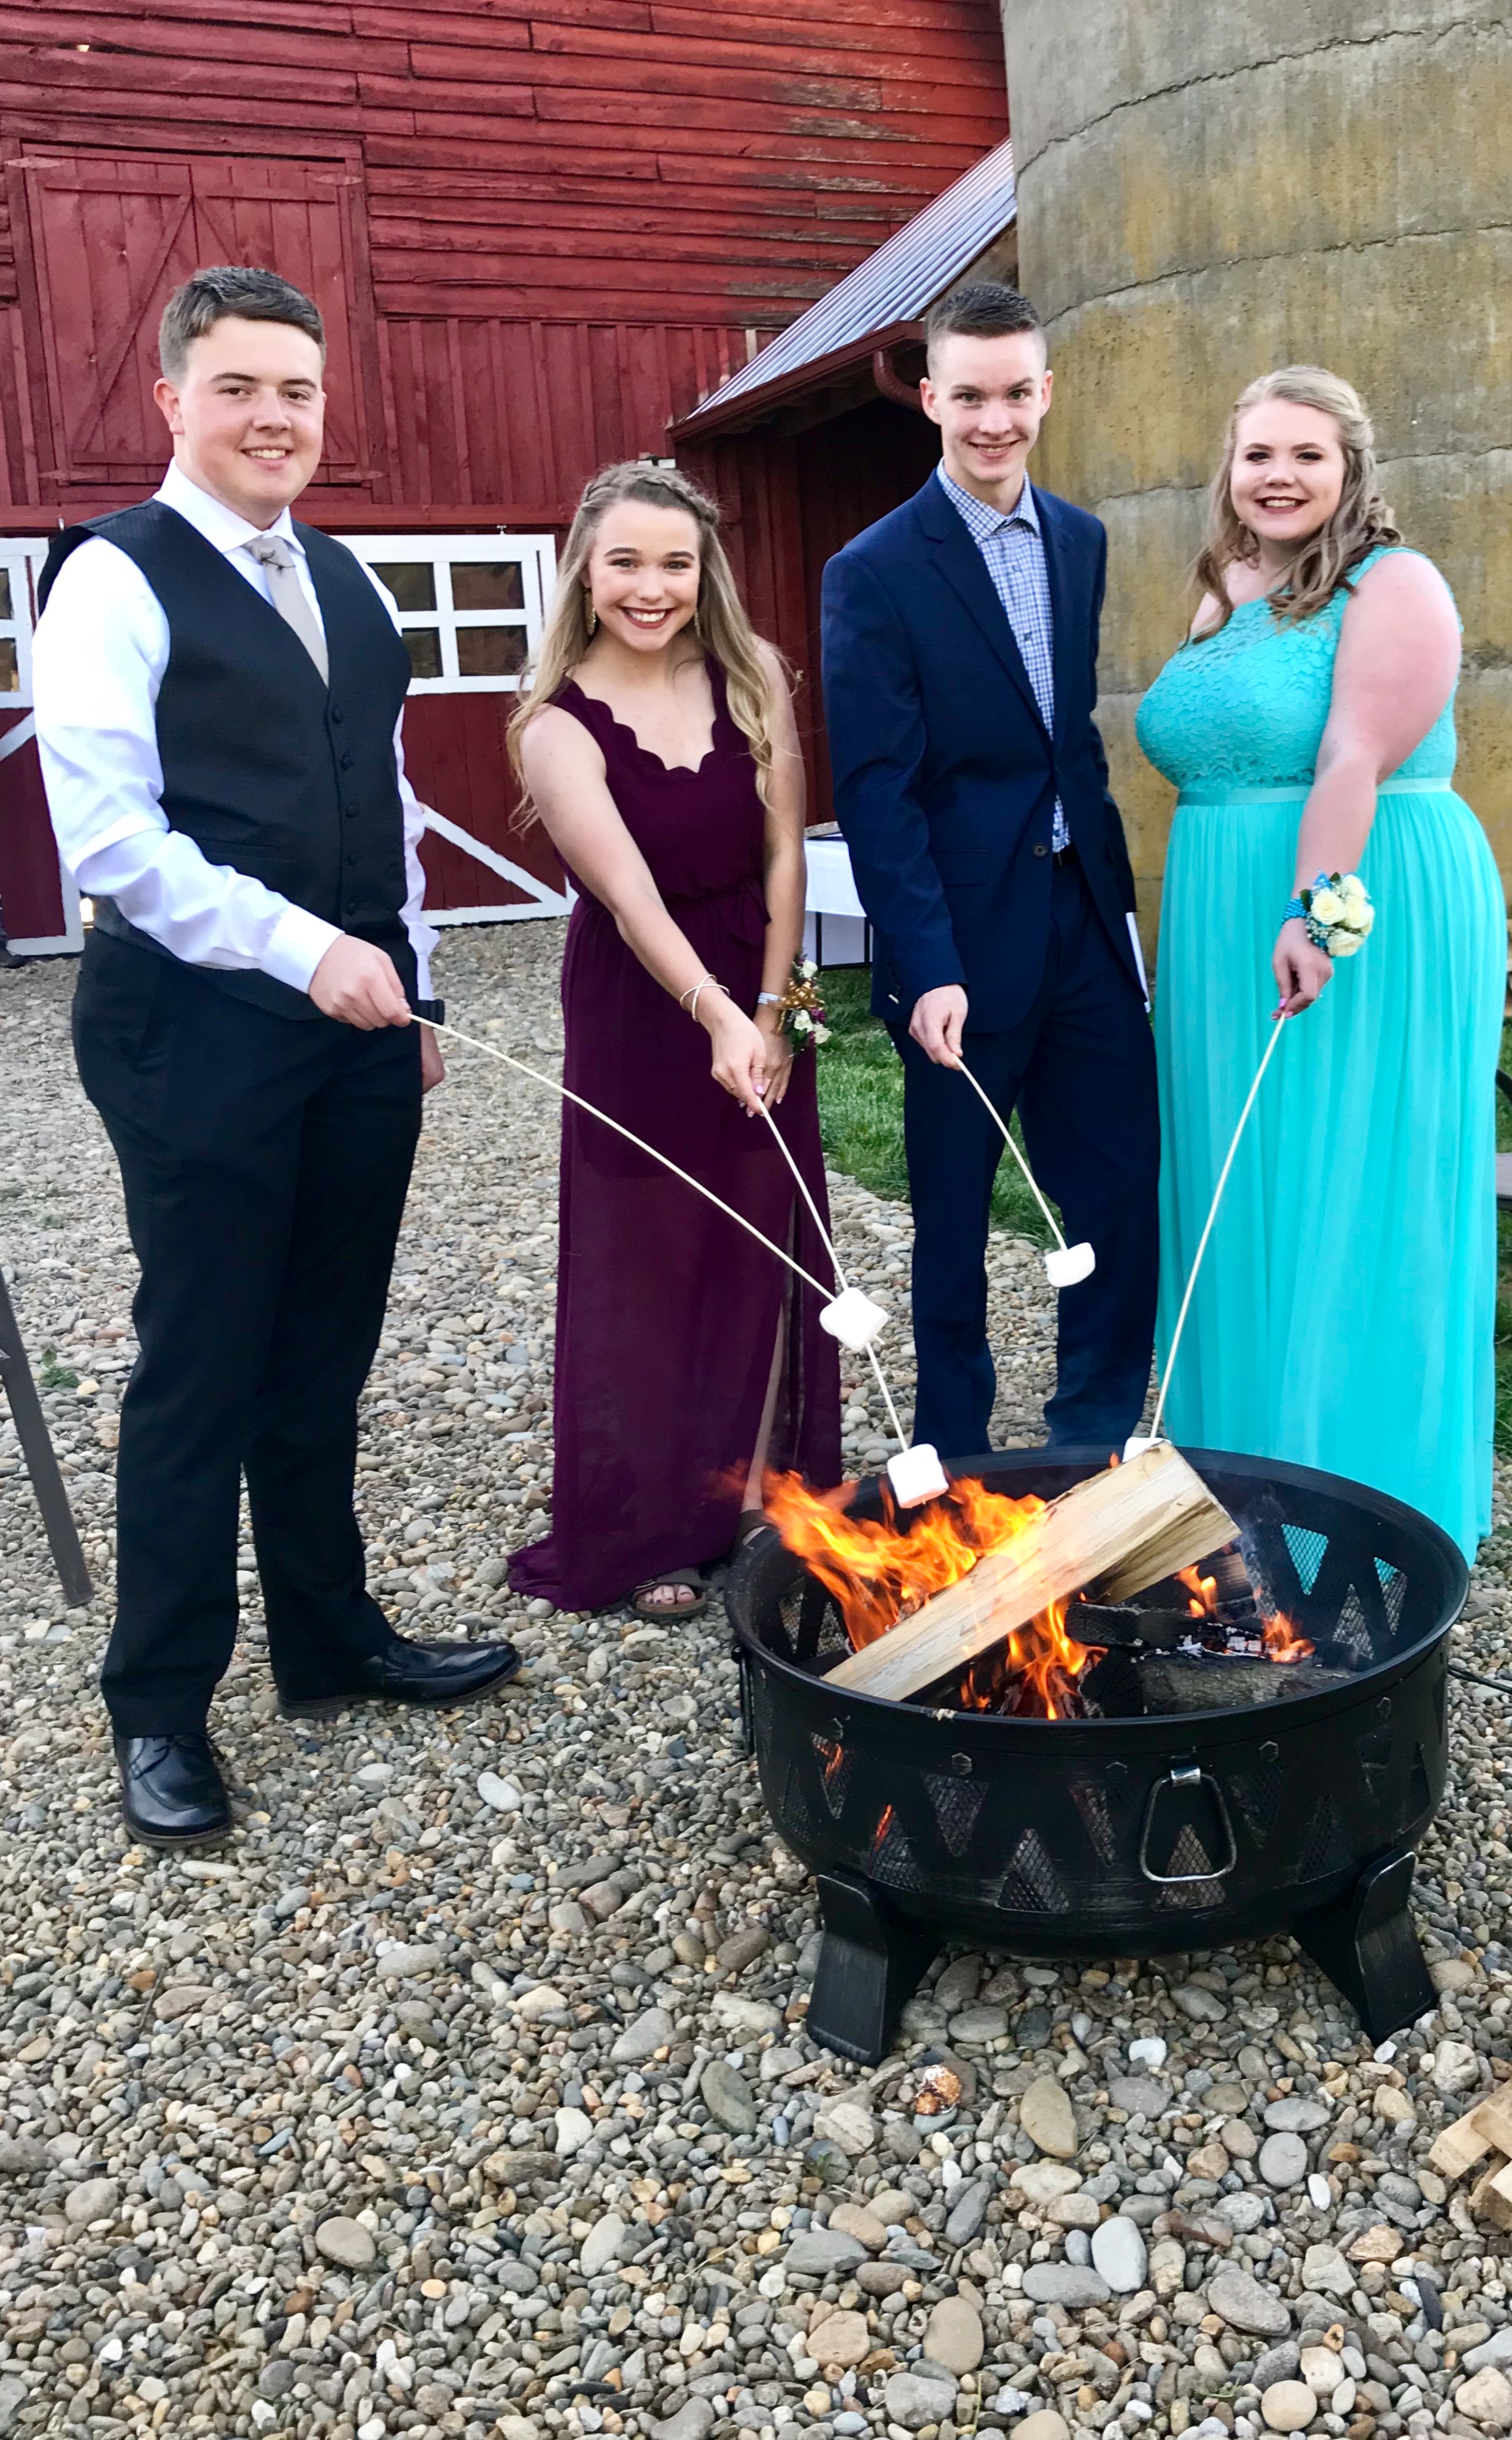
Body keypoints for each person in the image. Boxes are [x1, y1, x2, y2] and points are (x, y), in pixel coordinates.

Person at [31, 265, 521, 1849]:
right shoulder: (113, 579)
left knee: (322, 1354)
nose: (271, 416)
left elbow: (385, 803)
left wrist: (415, 984)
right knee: (204, 1361)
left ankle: (330, 1636)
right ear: (172, 401)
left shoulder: (352, 583)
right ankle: (159, 1702)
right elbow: (112, 842)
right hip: (193, 1028)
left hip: (362, 1036)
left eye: (296, 390)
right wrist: (306, 951)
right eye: (237, 387)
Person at [1135, 365, 1505, 1557]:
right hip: (1217, 915)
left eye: (1307, 455)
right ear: (1228, 467)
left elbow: (1351, 754)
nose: (1279, 476)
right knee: (1238, 1179)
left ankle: (1360, 1493)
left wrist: (1315, 912)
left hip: (1357, 896)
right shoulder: (1225, 585)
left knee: (1349, 1178)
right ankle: (1237, 1472)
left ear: (1351, 469)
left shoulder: (1393, 583)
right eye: (1258, 454)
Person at [820, 283, 1158, 1461]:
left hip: (1082, 921)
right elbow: (877, 790)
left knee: (1116, 1182)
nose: (994, 419)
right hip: (959, 940)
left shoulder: (1081, 540)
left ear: (1045, 392)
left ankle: (1095, 1425)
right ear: (930, 400)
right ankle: (956, 1446)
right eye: (969, 395)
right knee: (955, 1208)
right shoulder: (872, 570)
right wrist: (925, 964)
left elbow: (1067, 740)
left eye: (1016, 393)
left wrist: (1115, 916)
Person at [504, 462, 840, 1617]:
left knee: (761, 1231)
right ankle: (647, 1522)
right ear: (584, 574)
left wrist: (774, 1010)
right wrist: (715, 1013)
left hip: (758, 976)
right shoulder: (553, 725)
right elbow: (632, 897)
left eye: (675, 563)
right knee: (649, 1250)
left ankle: (747, 1498)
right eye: (625, 563)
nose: (651, 588)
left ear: (706, 575)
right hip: (642, 1005)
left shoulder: (753, 678)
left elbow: (786, 850)